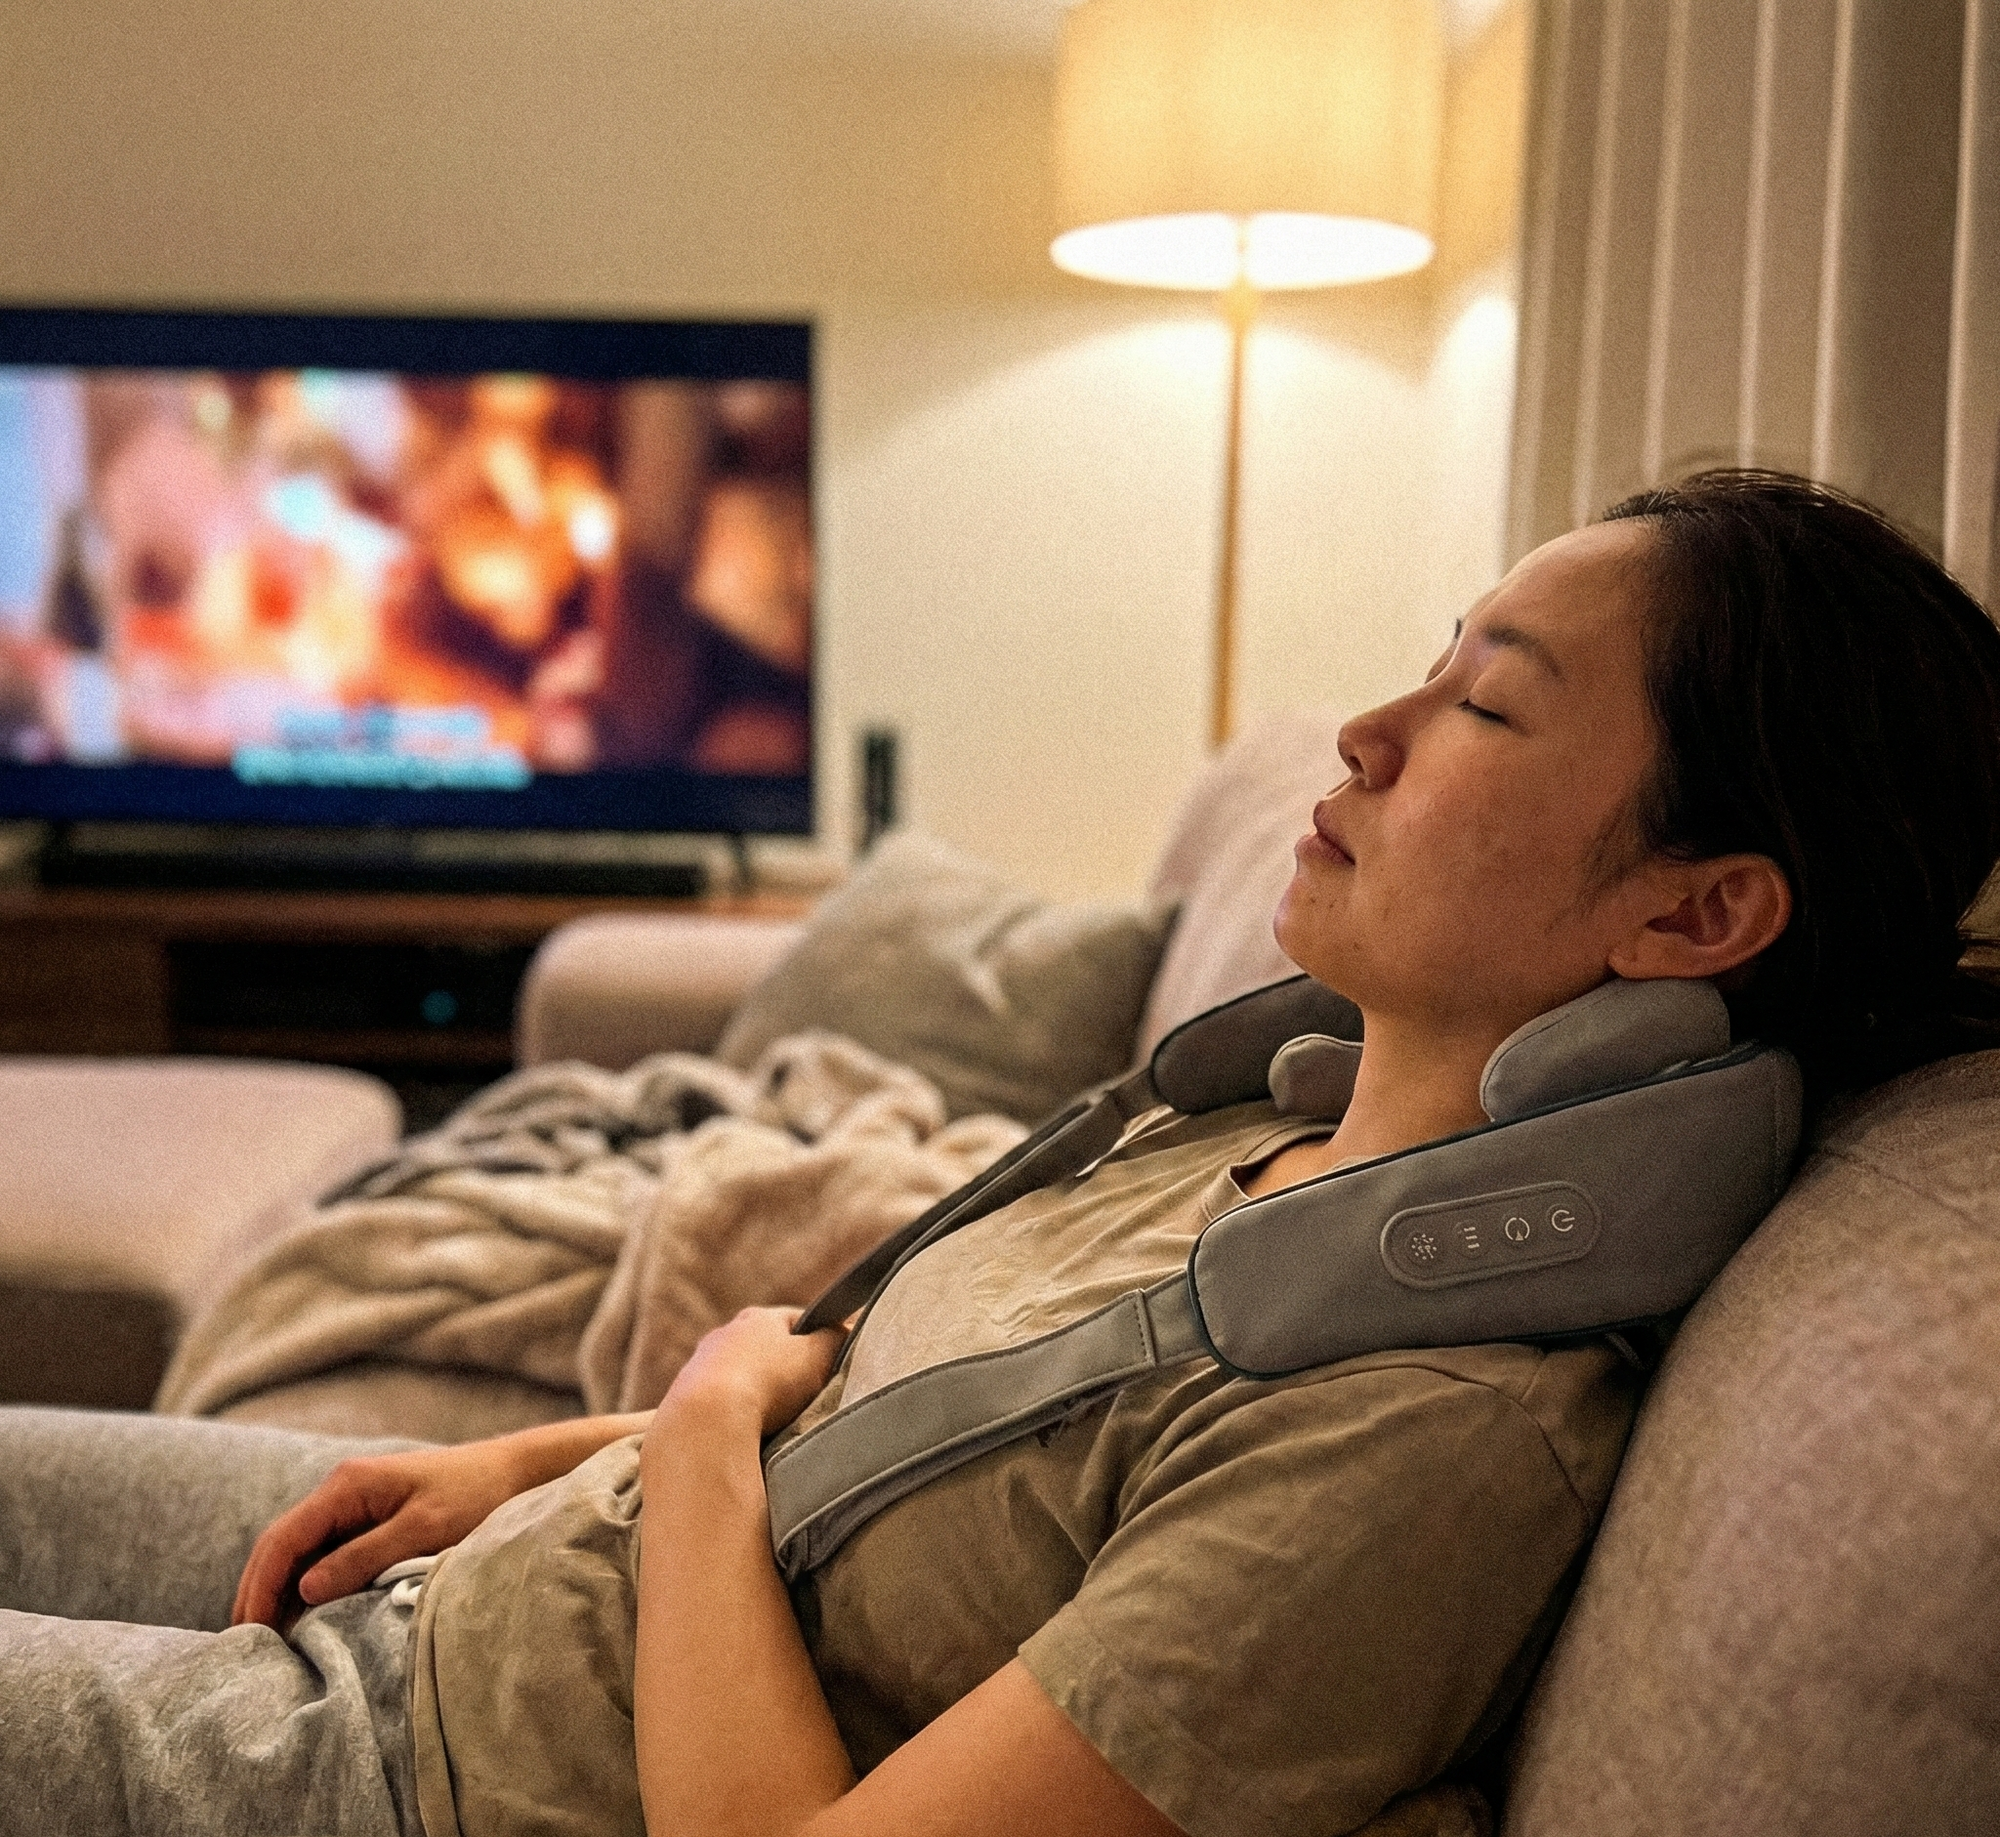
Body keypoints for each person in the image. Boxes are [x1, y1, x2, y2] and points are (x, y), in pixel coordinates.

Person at [4, 470, 1998, 1837]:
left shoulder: (1420, 1439)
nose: (1366, 733)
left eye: (1481, 704)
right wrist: (523, 1461)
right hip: (474, 1587)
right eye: (1433, 654)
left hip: (410, 1776)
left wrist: (696, 1437)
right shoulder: (1266, 1134)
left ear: (1690, 918)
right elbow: (883, 1436)